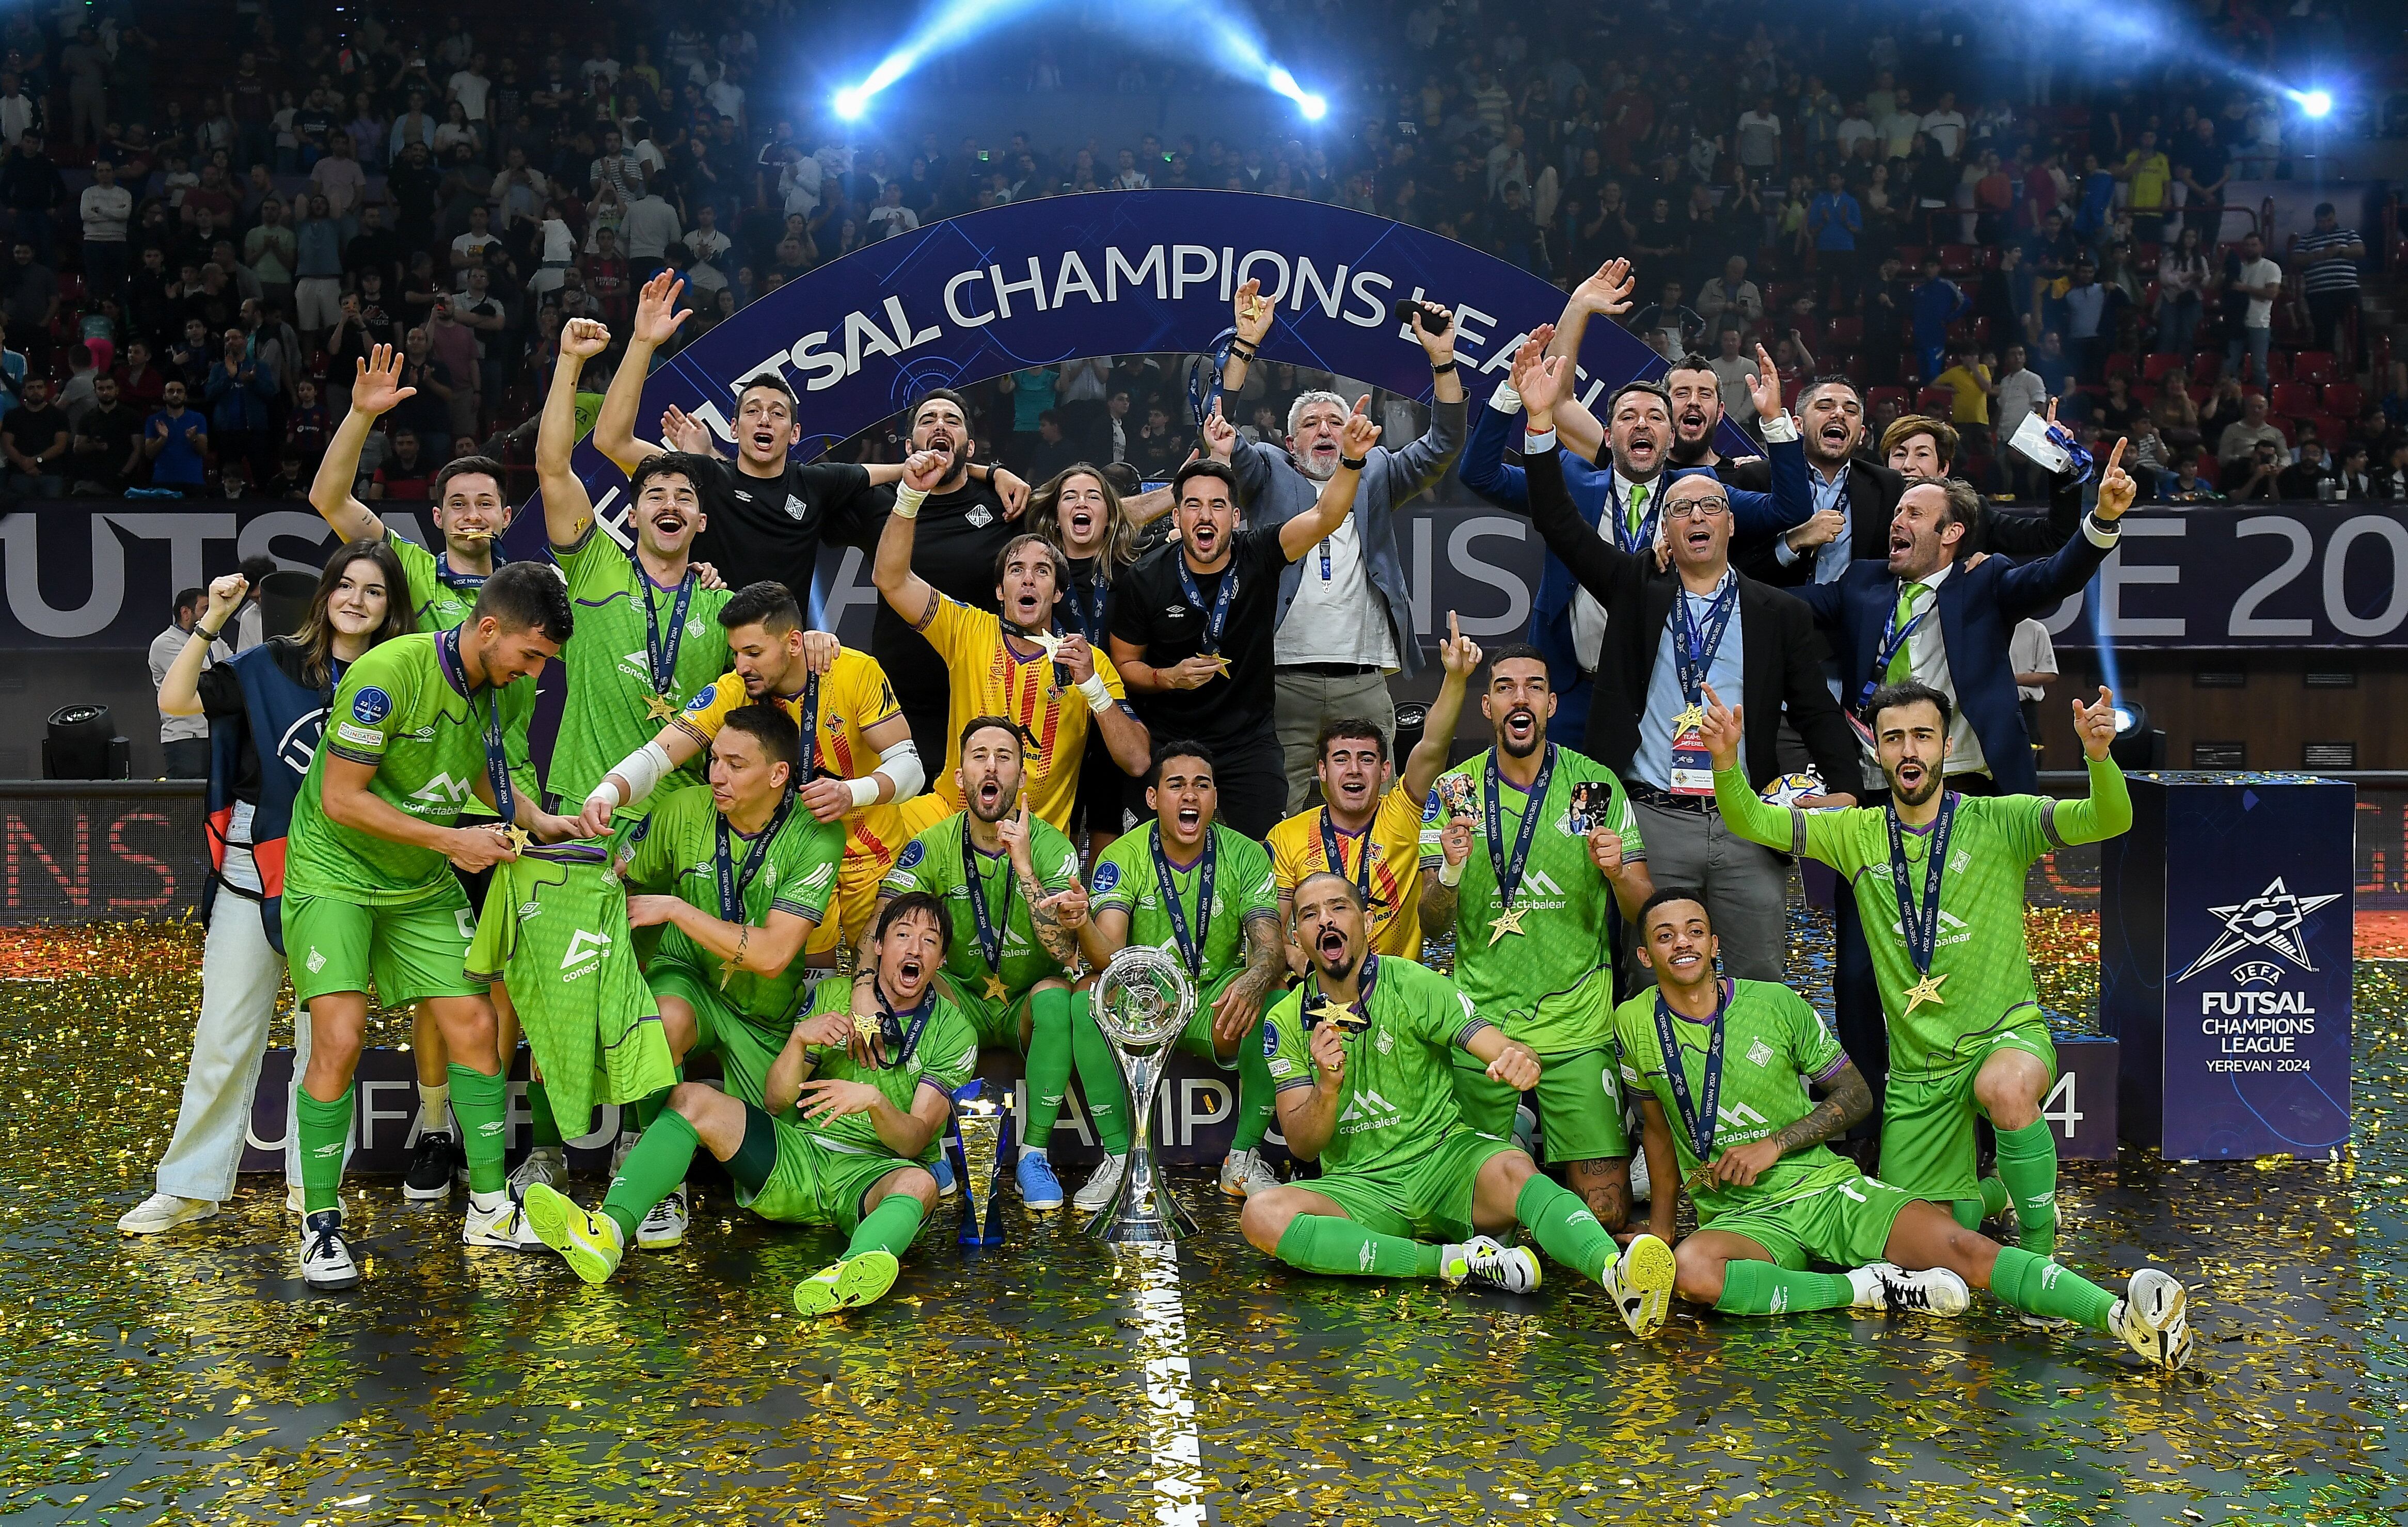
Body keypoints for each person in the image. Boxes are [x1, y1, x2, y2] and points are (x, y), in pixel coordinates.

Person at [1615, 889, 2191, 1367]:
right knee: (1692, 1271)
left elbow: (1856, 1094)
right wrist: (1662, 1231)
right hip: (1741, 1216)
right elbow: (1657, 1133)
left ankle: (2119, 1316)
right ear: (1645, 955)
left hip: (1826, 1190)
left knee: (1963, 1246)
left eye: (1694, 930)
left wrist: (1774, 1144)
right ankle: (1868, 1288)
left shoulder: (1774, 1004)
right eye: (1665, 935)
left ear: (1714, 944)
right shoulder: (1632, 1024)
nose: (1682, 942)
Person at [1768, 451, 2133, 1144]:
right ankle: (1872, 1120)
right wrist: (1719, 566)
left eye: (1913, 513)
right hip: (1874, 805)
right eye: (1897, 511)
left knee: (1965, 963)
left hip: (1967, 798)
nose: (1895, 522)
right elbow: (1781, 605)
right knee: (1855, 969)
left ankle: (1985, 1122)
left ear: (1954, 532)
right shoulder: (1863, 584)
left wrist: (2103, 517)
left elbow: (2058, 572)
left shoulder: (1984, 582)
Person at [1707, 677, 2134, 1266]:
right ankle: (1999, 1193)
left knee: (2004, 1090)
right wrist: (1726, 762)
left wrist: (2096, 756)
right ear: (1876, 752)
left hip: (2002, 1037)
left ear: (1946, 744)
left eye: (1922, 736)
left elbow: (2106, 820)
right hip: (1915, 1074)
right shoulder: (1852, 833)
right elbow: (1753, 822)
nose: (1908, 751)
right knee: (1927, 1239)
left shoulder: (1999, 820)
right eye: (1893, 739)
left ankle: (2038, 1251)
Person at [1511, 344, 1858, 982]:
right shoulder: (1633, 589)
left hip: (1745, 818)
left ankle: (1755, 1081)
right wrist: (1538, 425)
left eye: (1709, 508)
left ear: (1731, 525)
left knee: (1758, 975)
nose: (1695, 517)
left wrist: (1847, 788)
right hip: (1649, 819)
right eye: (1679, 510)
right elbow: (1558, 523)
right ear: (1663, 530)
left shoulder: (1776, 612)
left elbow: (1812, 709)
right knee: (1647, 979)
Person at [282, 560, 578, 1289]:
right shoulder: (390, 672)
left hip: (415, 880)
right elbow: (342, 797)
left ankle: (487, 1207)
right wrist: (454, 840)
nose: (535, 671)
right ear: (487, 628)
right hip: (335, 872)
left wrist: (538, 820)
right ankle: (320, 1225)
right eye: (531, 654)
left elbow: (482, 771)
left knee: (474, 1025)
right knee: (341, 1037)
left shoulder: (506, 690)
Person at [117, 547, 414, 1235]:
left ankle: (314, 1194)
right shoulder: (267, 663)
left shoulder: (399, 677)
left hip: (343, 879)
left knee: (326, 1043)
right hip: (257, 870)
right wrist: (213, 620)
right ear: (324, 595)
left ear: (388, 606)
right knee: (224, 1032)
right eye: (345, 584)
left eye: (373, 590)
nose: (356, 598)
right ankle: (190, 1184)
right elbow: (175, 699)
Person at [1242, 871, 1678, 1329]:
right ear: (1298, 936)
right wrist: (1327, 1089)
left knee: (1514, 1167)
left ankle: (1617, 1274)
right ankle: (1455, 1261)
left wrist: (1520, 1060)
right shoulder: (1285, 1020)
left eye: (1339, 907)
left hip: (1442, 1163)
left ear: (1367, 923)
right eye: (1310, 915)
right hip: (1361, 1187)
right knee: (1262, 1214)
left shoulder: (1414, 982)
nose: (1325, 920)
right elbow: (1303, 1147)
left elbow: (1498, 1045)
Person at [521, 892, 969, 1317]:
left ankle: (851, 1271)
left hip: (874, 1176)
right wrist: (798, 1042)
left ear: (941, 959)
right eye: (904, 935)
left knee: (920, 1185)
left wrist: (874, 1102)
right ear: (879, 946)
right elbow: (776, 1101)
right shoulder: (833, 996)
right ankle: (609, 1231)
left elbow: (913, 1141)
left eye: (930, 941)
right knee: (691, 1099)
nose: (916, 948)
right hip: (801, 1157)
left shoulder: (954, 1031)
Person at [1417, 634, 1652, 1224]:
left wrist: (1618, 872)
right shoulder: (1455, 793)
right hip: (1484, 1025)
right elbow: (1431, 924)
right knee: (1478, 1219)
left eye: (1534, 687)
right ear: (1487, 708)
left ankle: (1536, 1135)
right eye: (1503, 688)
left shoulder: (1590, 789)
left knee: (1606, 1216)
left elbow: (1641, 915)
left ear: (1550, 705)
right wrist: (1448, 869)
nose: (1519, 698)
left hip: (1576, 1022)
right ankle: (1517, 1131)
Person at [577, 580, 925, 970]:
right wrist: (606, 793)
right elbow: (658, 756)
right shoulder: (734, 689)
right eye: (737, 653)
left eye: (754, 652)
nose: (742, 665)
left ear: (794, 643)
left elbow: (910, 767)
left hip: (870, 851)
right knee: (814, 975)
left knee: (884, 974)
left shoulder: (854, 672)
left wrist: (851, 793)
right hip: (795, 855)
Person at [1216, 279, 1466, 814]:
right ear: (1290, 443)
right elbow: (1217, 431)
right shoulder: (1266, 470)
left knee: (1377, 817)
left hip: (1363, 677)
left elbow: (1443, 445)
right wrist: (1244, 348)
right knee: (1274, 814)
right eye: (1310, 424)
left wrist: (1441, 361)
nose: (1325, 429)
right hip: (1282, 676)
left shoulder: (1374, 471)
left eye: (1335, 420)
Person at [611, 702, 845, 1250]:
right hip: (686, 975)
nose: (717, 774)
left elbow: (770, 956)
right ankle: (659, 1183)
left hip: (764, 1011)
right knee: (664, 1020)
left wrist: (675, 908)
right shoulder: (681, 810)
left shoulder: (816, 835)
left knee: (785, 1153)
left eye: (735, 765)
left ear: (778, 774)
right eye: (714, 759)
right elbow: (616, 880)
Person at [1108, 402, 1386, 840]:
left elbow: (1325, 516)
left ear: (1235, 518)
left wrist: (1351, 460)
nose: (1205, 516)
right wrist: (1167, 678)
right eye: (1193, 506)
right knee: (1156, 859)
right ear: (1177, 517)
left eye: (1218, 506)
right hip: (1168, 740)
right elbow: (1124, 667)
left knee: (1265, 858)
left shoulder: (1258, 552)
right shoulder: (1146, 577)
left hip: (1247, 744)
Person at [593, 274, 918, 624]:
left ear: (794, 434)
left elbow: (883, 471)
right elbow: (611, 441)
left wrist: (920, 467)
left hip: (784, 659)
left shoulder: (814, 482)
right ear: (734, 429)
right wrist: (642, 343)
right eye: (752, 411)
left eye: (777, 414)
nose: (764, 420)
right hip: (707, 652)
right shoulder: (704, 476)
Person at [873, 719, 1092, 1210]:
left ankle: (1033, 1156)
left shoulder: (1052, 845)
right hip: (962, 1001)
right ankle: (926, 1146)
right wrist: (866, 982)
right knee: (908, 981)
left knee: (1058, 994)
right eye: (979, 756)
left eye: (1005, 756)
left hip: (1025, 1003)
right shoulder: (931, 844)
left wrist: (1025, 869)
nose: (991, 765)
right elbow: (885, 921)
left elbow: (1063, 953)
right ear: (960, 776)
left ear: (1021, 774)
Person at [534, 317, 734, 852]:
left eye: (684, 497)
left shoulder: (725, 606)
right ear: (630, 516)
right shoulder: (593, 563)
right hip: (581, 804)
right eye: (654, 495)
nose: (669, 504)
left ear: (702, 522)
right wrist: (572, 362)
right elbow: (553, 468)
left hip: (679, 821)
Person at [872, 456, 1150, 830]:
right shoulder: (967, 628)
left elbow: (1137, 761)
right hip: (951, 820)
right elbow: (891, 579)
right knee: (871, 829)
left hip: (1035, 839)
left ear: (1057, 593)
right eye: (1017, 571)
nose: (1029, 580)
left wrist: (1093, 688)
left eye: (1043, 572)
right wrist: (909, 498)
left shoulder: (1088, 663)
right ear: (1002, 591)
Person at [1077, 739, 1286, 1200]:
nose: (1190, 796)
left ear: (1215, 798)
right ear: (1153, 800)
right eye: (1176, 786)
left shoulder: (1247, 855)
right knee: (1086, 996)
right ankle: (1118, 1159)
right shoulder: (1122, 856)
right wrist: (1081, 925)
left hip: (1216, 1004)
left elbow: (1270, 944)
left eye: (1202, 786)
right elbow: (1108, 954)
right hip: (1145, 1003)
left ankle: (1244, 1159)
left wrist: (1255, 978)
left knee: (1276, 999)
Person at [1267, 613, 1477, 973]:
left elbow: (1433, 745)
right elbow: (1272, 932)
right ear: (1321, 771)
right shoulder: (1287, 836)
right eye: (1341, 759)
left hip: (1396, 991)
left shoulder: (1402, 812)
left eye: (1366, 759)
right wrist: (1303, 964)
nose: (1353, 770)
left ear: (1384, 771)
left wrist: (1456, 679)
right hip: (1318, 990)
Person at [310, 346, 512, 631]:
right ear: (438, 517)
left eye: (485, 503)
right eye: (457, 504)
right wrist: (361, 414)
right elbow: (328, 500)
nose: (472, 515)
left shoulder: (525, 589)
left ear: (505, 517)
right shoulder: (413, 569)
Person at [1031, 462, 1146, 856]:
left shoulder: (1135, 575)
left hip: (1116, 718)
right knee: (1053, 844)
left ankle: (1100, 915)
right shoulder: (1035, 575)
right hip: (1054, 720)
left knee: (1109, 840)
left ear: (1110, 514)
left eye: (1093, 497)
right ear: (1056, 515)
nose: (1081, 504)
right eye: (1070, 497)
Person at [150, 587, 229, 779]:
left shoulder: (216, 641)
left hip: (217, 735)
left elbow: (235, 670)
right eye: (206, 609)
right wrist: (224, 677)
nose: (212, 614)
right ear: (186, 613)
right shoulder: (165, 643)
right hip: (187, 738)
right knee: (190, 803)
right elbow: (195, 678)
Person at [2292, 203, 2364, 361]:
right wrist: (2316, 256)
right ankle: (2327, 366)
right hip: (2319, 294)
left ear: (2335, 217)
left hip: (2347, 290)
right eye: (2322, 221)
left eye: (2329, 220)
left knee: (2356, 330)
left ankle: (2360, 365)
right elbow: (2296, 259)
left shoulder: (2348, 234)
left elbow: (2360, 250)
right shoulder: (2307, 239)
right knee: (2324, 333)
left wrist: (2340, 251)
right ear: (2316, 221)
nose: (2325, 224)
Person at [2223, 233, 2280, 388]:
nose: (2250, 248)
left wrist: (2245, 288)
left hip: (2259, 323)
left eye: (2254, 245)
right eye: (2247, 245)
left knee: (2259, 367)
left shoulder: (2271, 267)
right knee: (2229, 364)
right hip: (2237, 322)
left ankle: (2260, 401)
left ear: (2262, 246)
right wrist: (2222, 262)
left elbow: (2272, 294)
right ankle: (2226, 400)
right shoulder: (2238, 266)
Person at [142, 377, 209, 492]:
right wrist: (162, 439)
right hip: (163, 481)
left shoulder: (198, 418)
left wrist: (193, 438)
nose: (175, 395)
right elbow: (149, 454)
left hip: (193, 481)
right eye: (171, 391)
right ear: (164, 396)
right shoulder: (154, 420)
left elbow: (203, 451)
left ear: (186, 396)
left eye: (180, 391)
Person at [2009, 618, 2056, 760]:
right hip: (1989, 707)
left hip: (2024, 708)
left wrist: (2009, 679)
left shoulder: (2036, 629)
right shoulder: (1983, 627)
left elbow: (2049, 674)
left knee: (2029, 759)